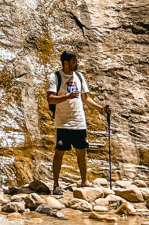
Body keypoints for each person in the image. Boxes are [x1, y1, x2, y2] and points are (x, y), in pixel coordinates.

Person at [47, 49, 110, 192]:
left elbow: (86, 99)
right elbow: (50, 99)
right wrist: (67, 97)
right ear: (66, 63)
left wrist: (101, 109)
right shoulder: (55, 77)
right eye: (74, 61)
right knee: (59, 152)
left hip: (79, 121)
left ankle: (84, 182)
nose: (77, 63)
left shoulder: (80, 76)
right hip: (62, 123)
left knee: (82, 152)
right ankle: (56, 185)